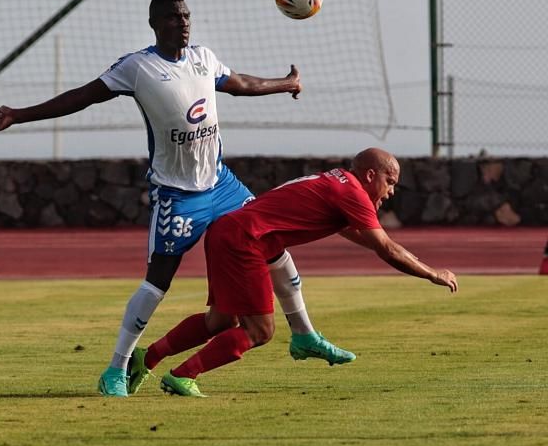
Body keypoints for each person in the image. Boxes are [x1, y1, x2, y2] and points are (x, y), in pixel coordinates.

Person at [0, 0, 350, 398]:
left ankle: (304, 334)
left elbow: (242, 84)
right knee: (157, 283)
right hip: (178, 196)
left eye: (186, 16)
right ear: (155, 24)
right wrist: (19, 115)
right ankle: (116, 368)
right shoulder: (137, 67)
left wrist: (286, 83)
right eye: (174, 17)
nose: (183, 23)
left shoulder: (203, 58)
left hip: (221, 185)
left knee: (272, 240)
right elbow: (81, 97)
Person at [133, 147, 458, 397]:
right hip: (246, 241)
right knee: (260, 331)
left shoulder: (335, 180)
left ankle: (147, 357)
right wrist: (433, 273)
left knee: (220, 321)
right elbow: (387, 248)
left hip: (228, 232)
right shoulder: (354, 193)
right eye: (390, 182)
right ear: (371, 175)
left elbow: (360, 236)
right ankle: (183, 375)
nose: (391, 192)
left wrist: (387, 248)